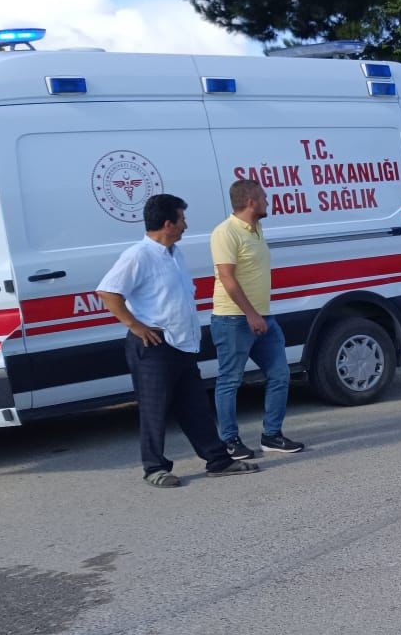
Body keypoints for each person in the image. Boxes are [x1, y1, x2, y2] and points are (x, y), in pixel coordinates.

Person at [99, 193, 259, 488]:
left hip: (182, 344)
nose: (186, 224)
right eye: (182, 219)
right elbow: (109, 292)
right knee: (154, 409)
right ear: (167, 223)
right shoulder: (138, 255)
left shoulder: (175, 255)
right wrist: (135, 326)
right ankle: (155, 468)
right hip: (154, 345)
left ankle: (218, 460)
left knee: (195, 406)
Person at [210, 178, 305, 460]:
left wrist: (260, 315)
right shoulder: (225, 232)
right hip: (233, 319)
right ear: (250, 201)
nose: (267, 200)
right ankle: (229, 441)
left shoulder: (257, 228)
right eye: (263, 196)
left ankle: (271, 435)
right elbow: (226, 277)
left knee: (280, 374)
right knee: (230, 380)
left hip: (264, 318)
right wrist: (250, 314)